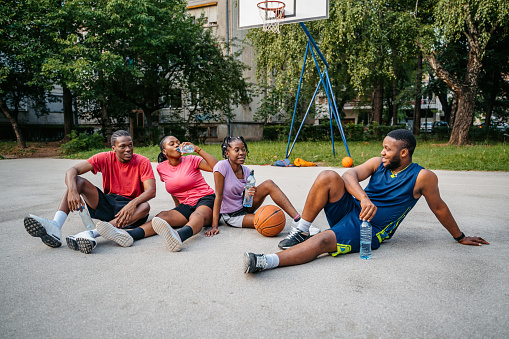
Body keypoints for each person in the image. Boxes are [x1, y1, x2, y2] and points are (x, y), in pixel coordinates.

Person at [244, 129, 489, 273]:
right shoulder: (377, 163)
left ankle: (265, 262)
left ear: (404, 153)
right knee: (328, 176)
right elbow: (348, 175)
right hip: (354, 209)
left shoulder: (423, 177)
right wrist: (363, 198)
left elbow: (439, 207)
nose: (382, 152)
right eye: (382, 148)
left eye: (388, 149)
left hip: (370, 228)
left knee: (326, 239)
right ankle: (302, 229)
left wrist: (460, 236)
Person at [23, 130, 156, 254]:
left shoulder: (142, 161)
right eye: (122, 146)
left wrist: (132, 204)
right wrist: (73, 191)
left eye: (130, 145)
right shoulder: (104, 157)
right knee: (77, 182)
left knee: (145, 206)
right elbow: (72, 171)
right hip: (109, 203)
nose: (128, 149)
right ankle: (55, 226)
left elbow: (151, 191)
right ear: (113, 148)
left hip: (132, 211)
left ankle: (91, 234)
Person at [97, 135, 219, 252]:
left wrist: (197, 149)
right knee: (162, 216)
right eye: (172, 144)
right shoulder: (162, 168)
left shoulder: (192, 159)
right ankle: (128, 235)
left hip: (206, 199)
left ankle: (178, 237)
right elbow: (174, 190)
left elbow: (217, 167)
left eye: (178, 142)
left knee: (196, 216)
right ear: (164, 152)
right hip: (186, 205)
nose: (177, 145)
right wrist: (177, 209)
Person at [205, 136, 319, 237]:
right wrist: (214, 226)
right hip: (232, 215)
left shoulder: (246, 171)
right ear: (227, 153)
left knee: (269, 183)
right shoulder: (221, 167)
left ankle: (298, 221)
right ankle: (299, 228)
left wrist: (249, 193)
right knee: (270, 222)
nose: (241, 153)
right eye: (237, 150)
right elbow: (218, 197)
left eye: (243, 149)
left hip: (245, 206)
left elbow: (245, 198)